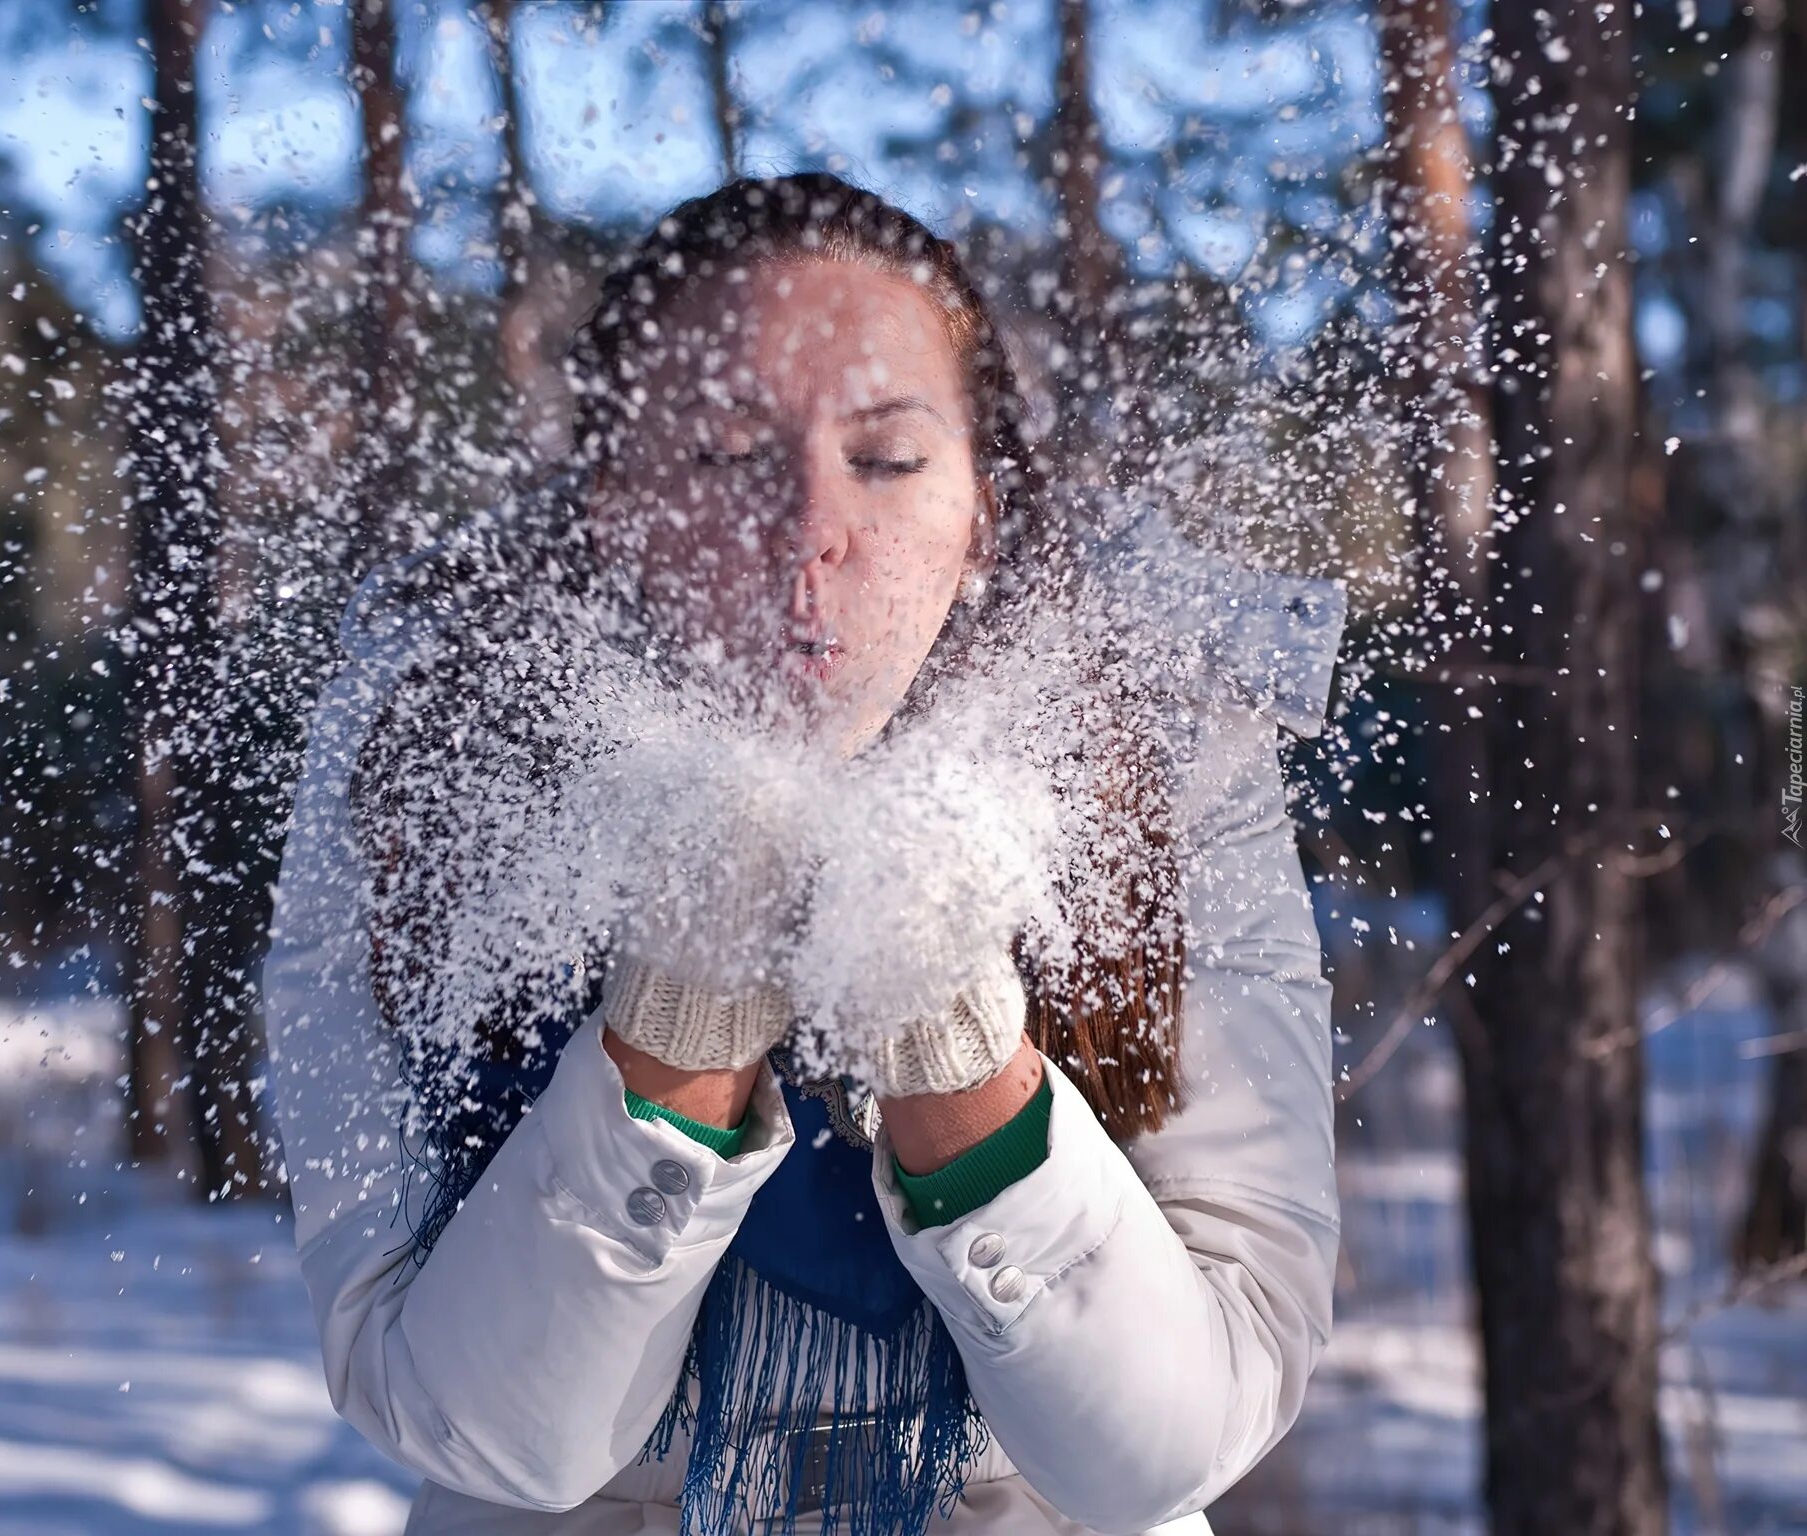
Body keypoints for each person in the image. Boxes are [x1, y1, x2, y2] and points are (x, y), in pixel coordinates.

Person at [261, 173, 1348, 1536]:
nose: (807, 527)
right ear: (612, 508)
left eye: (888, 460)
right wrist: (685, 1009)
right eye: (719, 458)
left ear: (981, 517)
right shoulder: (425, 767)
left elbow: (1174, 1447)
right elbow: (477, 1430)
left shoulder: (1160, 758)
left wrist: (950, 1033)